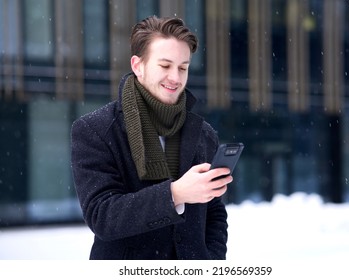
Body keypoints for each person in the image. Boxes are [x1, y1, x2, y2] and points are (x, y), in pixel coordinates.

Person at [70, 15, 232, 260]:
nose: (175, 78)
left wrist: (211, 262)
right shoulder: (95, 130)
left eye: (183, 67)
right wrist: (174, 193)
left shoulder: (203, 134)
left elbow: (215, 213)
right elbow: (102, 215)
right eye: (165, 66)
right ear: (138, 65)